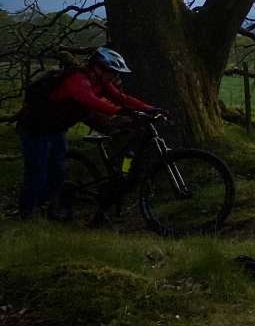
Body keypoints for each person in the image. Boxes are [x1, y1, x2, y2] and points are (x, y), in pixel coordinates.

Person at [14, 47, 159, 220]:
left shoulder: (102, 83)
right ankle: (27, 213)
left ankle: (47, 206)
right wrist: (118, 111)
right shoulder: (77, 79)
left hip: (56, 129)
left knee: (58, 172)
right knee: (37, 171)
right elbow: (89, 99)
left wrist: (150, 108)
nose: (115, 77)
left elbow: (122, 98)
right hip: (34, 128)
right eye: (112, 72)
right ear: (98, 68)